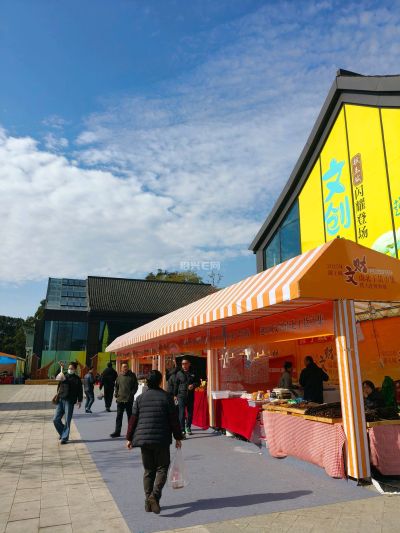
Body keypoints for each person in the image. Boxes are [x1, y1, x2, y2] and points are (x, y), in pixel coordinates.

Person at [126, 370, 183, 514]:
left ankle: (148, 501)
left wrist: (129, 438)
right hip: (161, 438)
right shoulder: (167, 397)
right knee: (162, 468)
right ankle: (154, 496)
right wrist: (178, 437)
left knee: (148, 470)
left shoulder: (140, 398)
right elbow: (174, 420)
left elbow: (133, 419)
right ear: (160, 381)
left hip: (144, 439)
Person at [53, 361, 83, 444]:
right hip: (61, 399)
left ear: (75, 369)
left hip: (70, 401)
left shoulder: (77, 379)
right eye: (69, 368)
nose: (70, 369)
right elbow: (56, 376)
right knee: (55, 419)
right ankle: (63, 432)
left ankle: (64, 437)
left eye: (71, 368)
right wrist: (61, 368)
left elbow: (80, 390)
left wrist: (79, 400)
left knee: (67, 420)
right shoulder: (64, 375)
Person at [110, 362, 138, 438]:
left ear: (128, 367)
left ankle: (131, 432)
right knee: (119, 416)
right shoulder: (119, 376)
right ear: (121, 368)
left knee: (130, 417)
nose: (125, 368)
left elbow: (135, 386)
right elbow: (116, 386)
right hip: (120, 399)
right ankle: (117, 432)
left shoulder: (132, 376)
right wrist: (116, 393)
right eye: (123, 367)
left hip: (129, 399)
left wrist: (132, 394)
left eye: (126, 366)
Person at [174, 358, 200, 437]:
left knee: (190, 413)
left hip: (190, 395)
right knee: (181, 413)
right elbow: (176, 384)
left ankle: (188, 427)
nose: (184, 365)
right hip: (181, 395)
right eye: (182, 364)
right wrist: (175, 395)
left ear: (189, 364)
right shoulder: (179, 373)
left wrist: (193, 385)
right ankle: (182, 429)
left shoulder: (193, 372)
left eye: (185, 363)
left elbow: (198, 382)